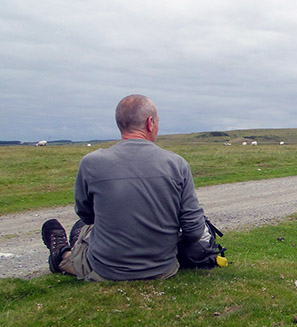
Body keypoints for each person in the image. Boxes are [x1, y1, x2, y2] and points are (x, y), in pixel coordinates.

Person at [41, 94, 210, 281]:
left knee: (82, 230)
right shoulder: (177, 164)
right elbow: (194, 229)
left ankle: (61, 253)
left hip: (106, 270)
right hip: (162, 268)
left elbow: (87, 215)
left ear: (120, 124)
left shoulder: (91, 163)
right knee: (83, 229)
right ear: (150, 123)